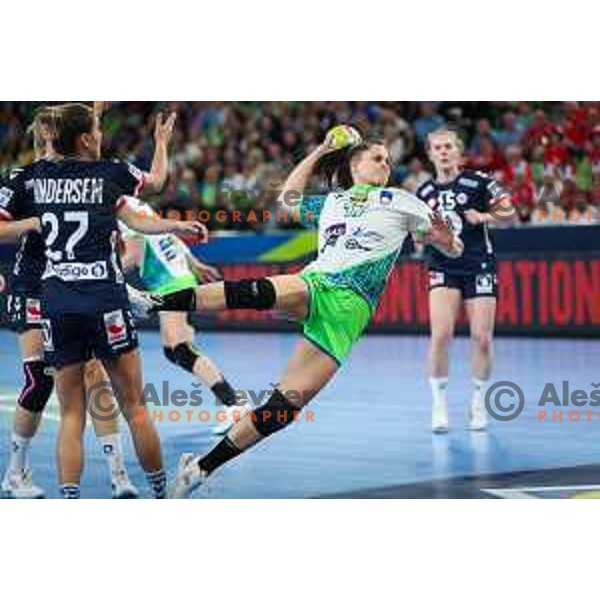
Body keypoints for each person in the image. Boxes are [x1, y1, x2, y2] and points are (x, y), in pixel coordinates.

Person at [141, 126, 463, 499]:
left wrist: (445, 240)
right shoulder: (332, 203)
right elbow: (288, 197)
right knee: (272, 289)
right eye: (377, 157)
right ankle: (152, 304)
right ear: (355, 164)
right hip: (318, 283)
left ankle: (198, 469)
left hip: (349, 313)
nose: (385, 164)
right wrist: (321, 148)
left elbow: (451, 246)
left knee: (283, 410)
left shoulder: (401, 200)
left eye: (389, 160)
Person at [1, 103, 204, 499]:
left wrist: (88, 112)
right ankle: (161, 494)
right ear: (87, 138)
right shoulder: (111, 172)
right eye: (96, 127)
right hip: (103, 299)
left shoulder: (35, 177)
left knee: (71, 413)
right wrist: (161, 142)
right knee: (135, 407)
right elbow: (154, 188)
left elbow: (68, 148)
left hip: (57, 302)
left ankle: (76, 495)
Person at [415, 127, 513, 433]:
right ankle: (439, 406)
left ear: (458, 152)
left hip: (479, 264)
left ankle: (478, 404)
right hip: (443, 266)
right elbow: (417, 238)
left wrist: (484, 217)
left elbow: (509, 211)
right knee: (441, 335)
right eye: (437, 147)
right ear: (429, 154)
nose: (443, 152)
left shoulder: (479, 182)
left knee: (482, 338)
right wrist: (427, 236)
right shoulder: (423, 194)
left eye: (448, 146)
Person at [119, 198, 244, 435]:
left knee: (181, 349)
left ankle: (234, 405)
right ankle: (233, 403)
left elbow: (134, 256)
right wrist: (195, 264)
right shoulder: (138, 205)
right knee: (172, 352)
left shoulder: (121, 211)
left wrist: (100, 273)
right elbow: (169, 235)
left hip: (171, 283)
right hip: (176, 277)